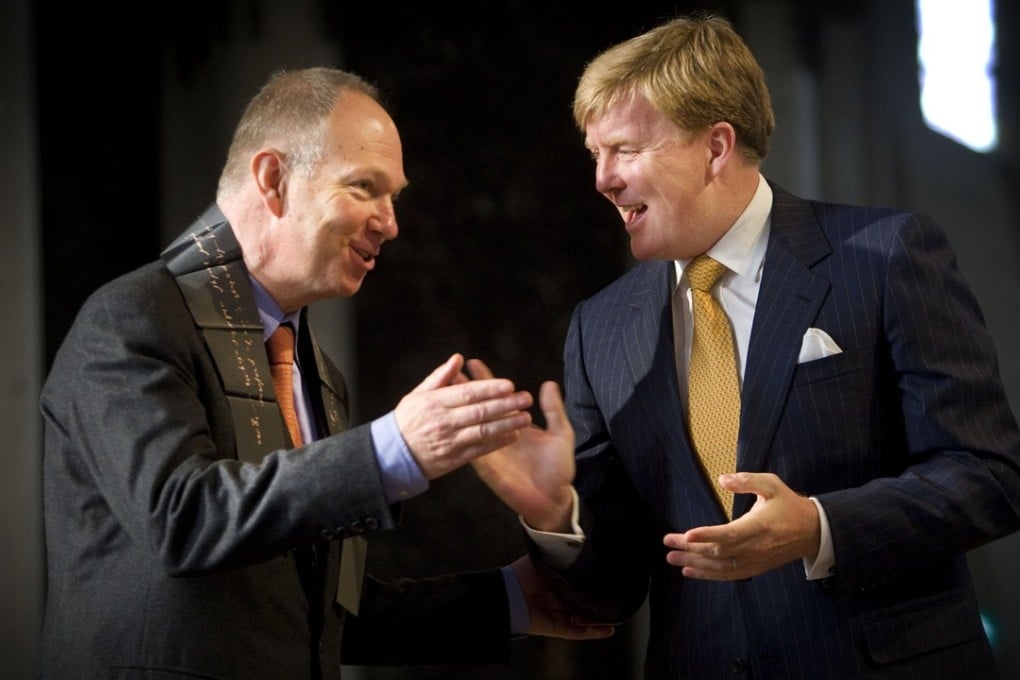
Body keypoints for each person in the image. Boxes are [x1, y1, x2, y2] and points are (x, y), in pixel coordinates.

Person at [471, 12, 1020, 679]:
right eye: (596, 155)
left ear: (715, 147)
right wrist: (555, 513)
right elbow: (613, 591)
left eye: (625, 150)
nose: (602, 180)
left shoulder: (882, 257)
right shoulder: (600, 328)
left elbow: (990, 478)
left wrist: (819, 526)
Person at [36, 67, 613, 680]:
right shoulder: (131, 318)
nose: (390, 222)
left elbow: (315, 621)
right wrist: (394, 449)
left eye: (395, 197)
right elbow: (182, 521)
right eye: (365, 187)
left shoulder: (317, 374)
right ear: (273, 179)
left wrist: (514, 598)